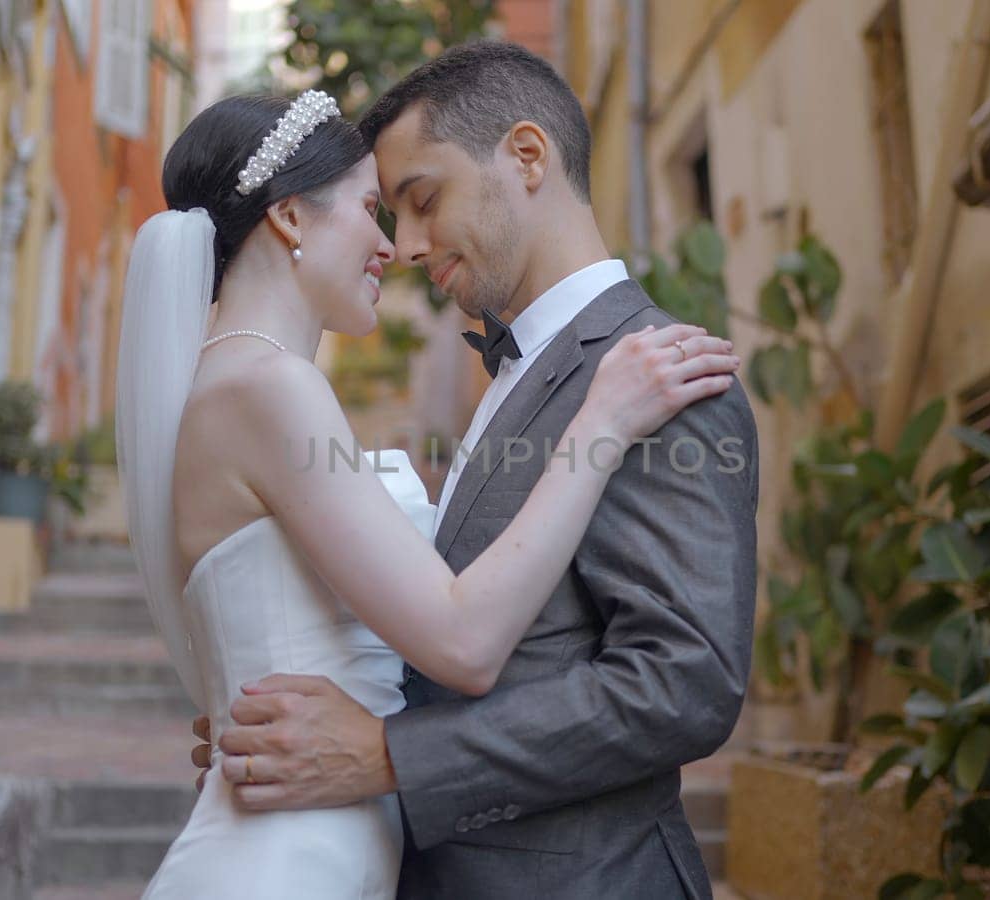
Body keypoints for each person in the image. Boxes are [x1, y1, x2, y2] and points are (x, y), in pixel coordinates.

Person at [117, 84, 741, 899]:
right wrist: (602, 426)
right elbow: (458, 637)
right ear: (289, 217)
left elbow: (682, 682)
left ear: (527, 156)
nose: (399, 245)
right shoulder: (270, 388)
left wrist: (368, 745)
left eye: (417, 202)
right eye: (377, 210)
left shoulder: (654, 368)